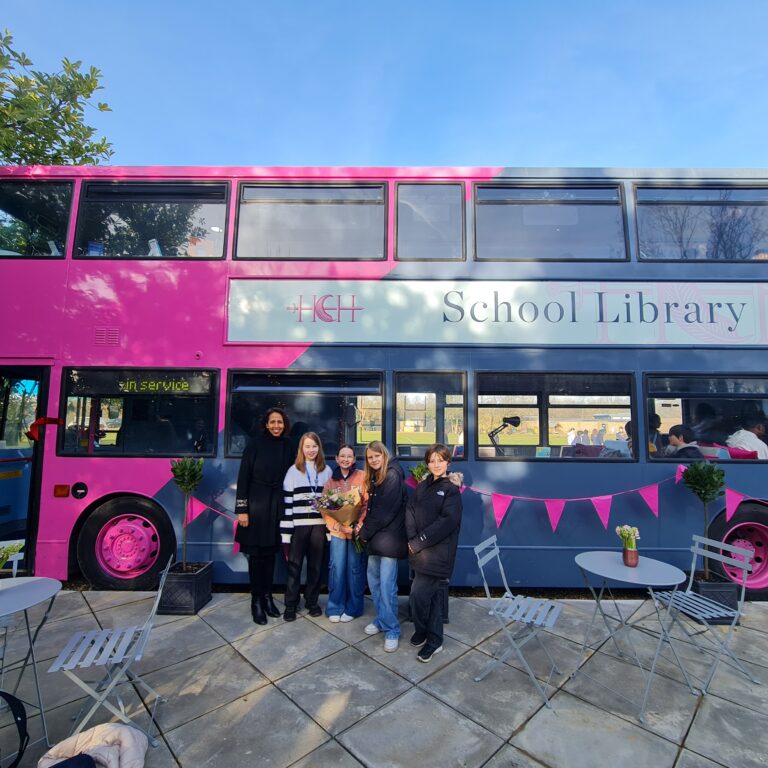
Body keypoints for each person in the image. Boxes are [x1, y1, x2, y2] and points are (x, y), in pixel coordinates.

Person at [235, 407, 294, 625]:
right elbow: (243, 478)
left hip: (277, 505)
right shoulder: (254, 445)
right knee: (256, 556)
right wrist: (242, 509)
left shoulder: (289, 445)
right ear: (266, 424)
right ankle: (256, 601)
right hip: (256, 505)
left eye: (280, 422)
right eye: (273, 422)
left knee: (270, 555)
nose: (276, 426)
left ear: (284, 424)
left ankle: (268, 597)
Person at [406, 443, 463, 663]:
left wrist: (418, 541)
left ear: (448, 462)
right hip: (418, 550)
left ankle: (434, 640)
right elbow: (410, 510)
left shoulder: (451, 489)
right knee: (425, 596)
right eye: (432, 460)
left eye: (440, 460)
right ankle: (424, 632)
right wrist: (412, 538)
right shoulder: (423, 485)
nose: (436, 464)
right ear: (427, 463)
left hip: (437, 553)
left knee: (421, 596)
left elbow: (447, 522)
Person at [357, 441, 407, 652]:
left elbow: (384, 513)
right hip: (376, 538)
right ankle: (382, 619)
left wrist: (363, 533)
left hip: (388, 539)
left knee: (387, 586)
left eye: (377, 455)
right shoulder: (377, 477)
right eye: (370, 457)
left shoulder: (393, 475)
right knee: (375, 583)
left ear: (384, 455)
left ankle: (392, 629)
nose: (374, 460)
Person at [280, 432, 333, 621]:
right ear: (301, 449)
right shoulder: (293, 471)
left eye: (314, 446)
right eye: (307, 446)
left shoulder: (326, 471)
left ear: (319, 448)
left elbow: (331, 505)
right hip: (298, 527)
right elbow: (287, 505)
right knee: (294, 567)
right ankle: (291, 604)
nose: (311, 450)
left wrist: (328, 530)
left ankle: (312, 601)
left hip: (318, 526)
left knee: (315, 567)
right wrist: (286, 533)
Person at [323, 444, 367, 622]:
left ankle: (354, 608)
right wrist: (338, 527)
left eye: (349, 456)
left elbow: (366, 505)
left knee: (355, 569)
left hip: (356, 532)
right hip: (338, 534)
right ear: (337, 458)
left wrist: (358, 525)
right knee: (336, 568)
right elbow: (325, 508)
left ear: (354, 460)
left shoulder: (362, 477)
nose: (346, 459)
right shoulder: (331, 481)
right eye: (342, 456)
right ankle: (335, 606)